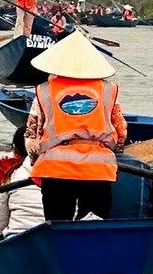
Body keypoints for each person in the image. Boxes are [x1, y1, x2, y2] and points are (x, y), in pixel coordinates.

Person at [24, 32, 128, 221]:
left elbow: (32, 136)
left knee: (58, 226)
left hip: (55, 169)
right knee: (94, 227)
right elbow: (120, 131)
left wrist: (34, 161)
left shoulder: (44, 90)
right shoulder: (108, 89)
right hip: (98, 169)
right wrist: (116, 150)